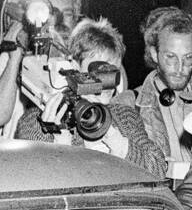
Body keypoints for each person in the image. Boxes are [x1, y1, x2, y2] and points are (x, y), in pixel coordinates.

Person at [15, 17, 167, 177]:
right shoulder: (37, 122)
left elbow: (159, 169)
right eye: (99, 70)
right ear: (74, 67)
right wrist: (61, 144)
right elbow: (33, 178)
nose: (108, 82)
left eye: (113, 71)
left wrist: (113, 137)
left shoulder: (125, 117)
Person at [134, 7, 192, 178]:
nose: (179, 68)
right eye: (170, 57)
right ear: (155, 54)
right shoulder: (130, 104)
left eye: (187, 58)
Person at [0, 0, 82, 138]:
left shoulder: (85, 56)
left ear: (76, 20)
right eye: (53, 12)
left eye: (68, 13)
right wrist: (16, 58)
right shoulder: (16, 55)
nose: (60, 20)